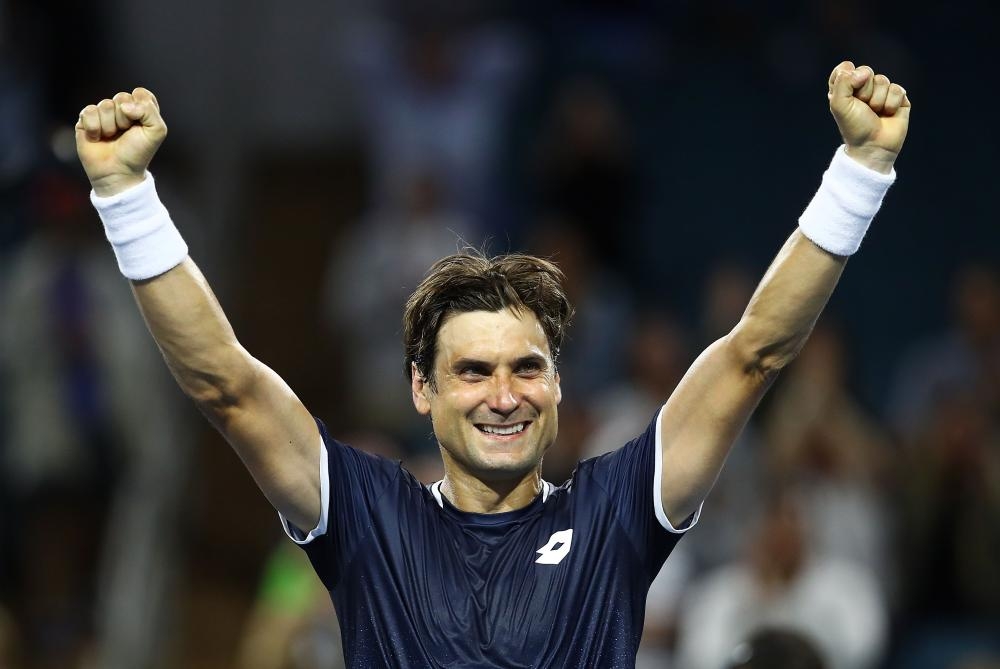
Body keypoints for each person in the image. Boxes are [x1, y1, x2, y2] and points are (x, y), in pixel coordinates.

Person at [73, 60, 910, 667]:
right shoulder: (369, 515)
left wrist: (861, 171)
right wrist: (126, 197)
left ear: (556, 385)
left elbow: (753, 351)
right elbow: (226, 383)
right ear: (421, 389)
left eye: (526, 367)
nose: (503, 395)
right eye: (473, 370)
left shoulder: (616, 511)